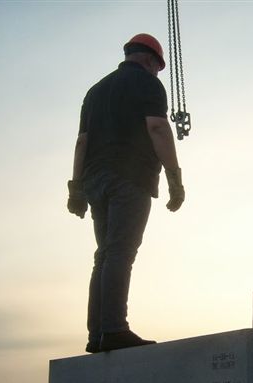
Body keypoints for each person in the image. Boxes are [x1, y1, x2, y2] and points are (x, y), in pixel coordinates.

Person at [66, 33, 185, 353]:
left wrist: (76, 188)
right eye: (158, 68)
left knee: (104, 254)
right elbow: (158, 128)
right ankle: (115, 329)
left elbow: (81, 143)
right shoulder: (148, 84)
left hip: (95, 182)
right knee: (120, 252)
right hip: (130, 178)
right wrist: (175, 178)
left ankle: (98, 334)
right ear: (150, 60)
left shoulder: (94, 92)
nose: (158, 74)